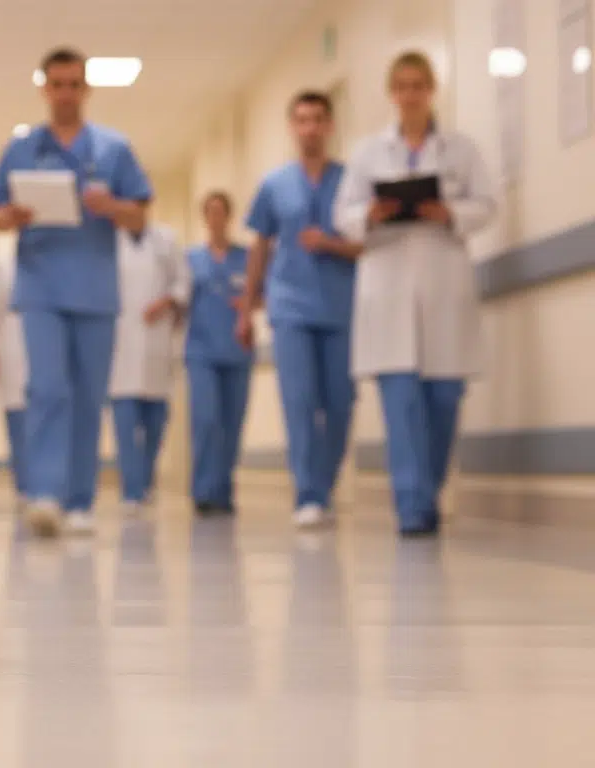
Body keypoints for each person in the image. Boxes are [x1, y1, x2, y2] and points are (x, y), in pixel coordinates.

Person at [0, 47, 153, 537]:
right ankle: (45, 493)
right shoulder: (22, 148)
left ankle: (80, 500)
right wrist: (11, 216)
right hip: (40, 286)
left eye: (73, 84)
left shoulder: (113, 149)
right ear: (44, 88)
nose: (65, 93)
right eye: (56, 84)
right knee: (47, 388)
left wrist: (112, 206)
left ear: (86, 89)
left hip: (95, 289)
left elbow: (140, 217)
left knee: (88, 396)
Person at [333, 51, 497, 537]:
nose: (410, 95)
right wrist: (370, 215)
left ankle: (426, 494)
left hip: (444, 281)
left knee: (444, 399)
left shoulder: (461, 150)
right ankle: (412, 508)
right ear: (392, 93)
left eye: (418, 85)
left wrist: (450, 213)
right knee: (401, 403)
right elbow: (343, 213)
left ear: (431, 90)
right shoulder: (368, 153)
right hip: (387, 283)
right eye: (401, 86)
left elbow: (488, 204)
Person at [236, 90, 363, 529]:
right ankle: (308, 493)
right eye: (302, 120)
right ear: (292, 127)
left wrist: (330, 244)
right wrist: (246, 309)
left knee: (340, 401)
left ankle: (324, 485)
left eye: (318, 119)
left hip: (340, 305)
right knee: (299, 399)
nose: (310, 128)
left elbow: (367, 244)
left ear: (330, 126)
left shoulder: (351, 181)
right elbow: (260, 246)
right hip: (289, 305)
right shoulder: (274, 185)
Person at [107, 223, 189, 516]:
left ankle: (145, 480)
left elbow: (183, 282)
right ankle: (131, 490)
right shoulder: (110, 241)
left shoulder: (165, 239)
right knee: (125, 423)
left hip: (157, 339)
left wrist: (167, 301)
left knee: (156, 421)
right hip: (121, 343)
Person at [185, 192, 255, 516]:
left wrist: (250, 303)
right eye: (210, 212)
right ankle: (203, 491)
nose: (215, 217)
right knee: (206, 420)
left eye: (220, 211)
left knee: (231, 424)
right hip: (201, 351)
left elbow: (264, 294)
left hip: (237, 350)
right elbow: (180, 298)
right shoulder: (191, 259)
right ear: (204, 217)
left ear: (229, 216)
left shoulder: (247, 257)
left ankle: (224, 491)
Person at [0, 257, 32, 510]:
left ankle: (50, 485)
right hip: (12, 350)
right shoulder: (4, 269)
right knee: (18, 422)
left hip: (44, 352)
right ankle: (25, 486)